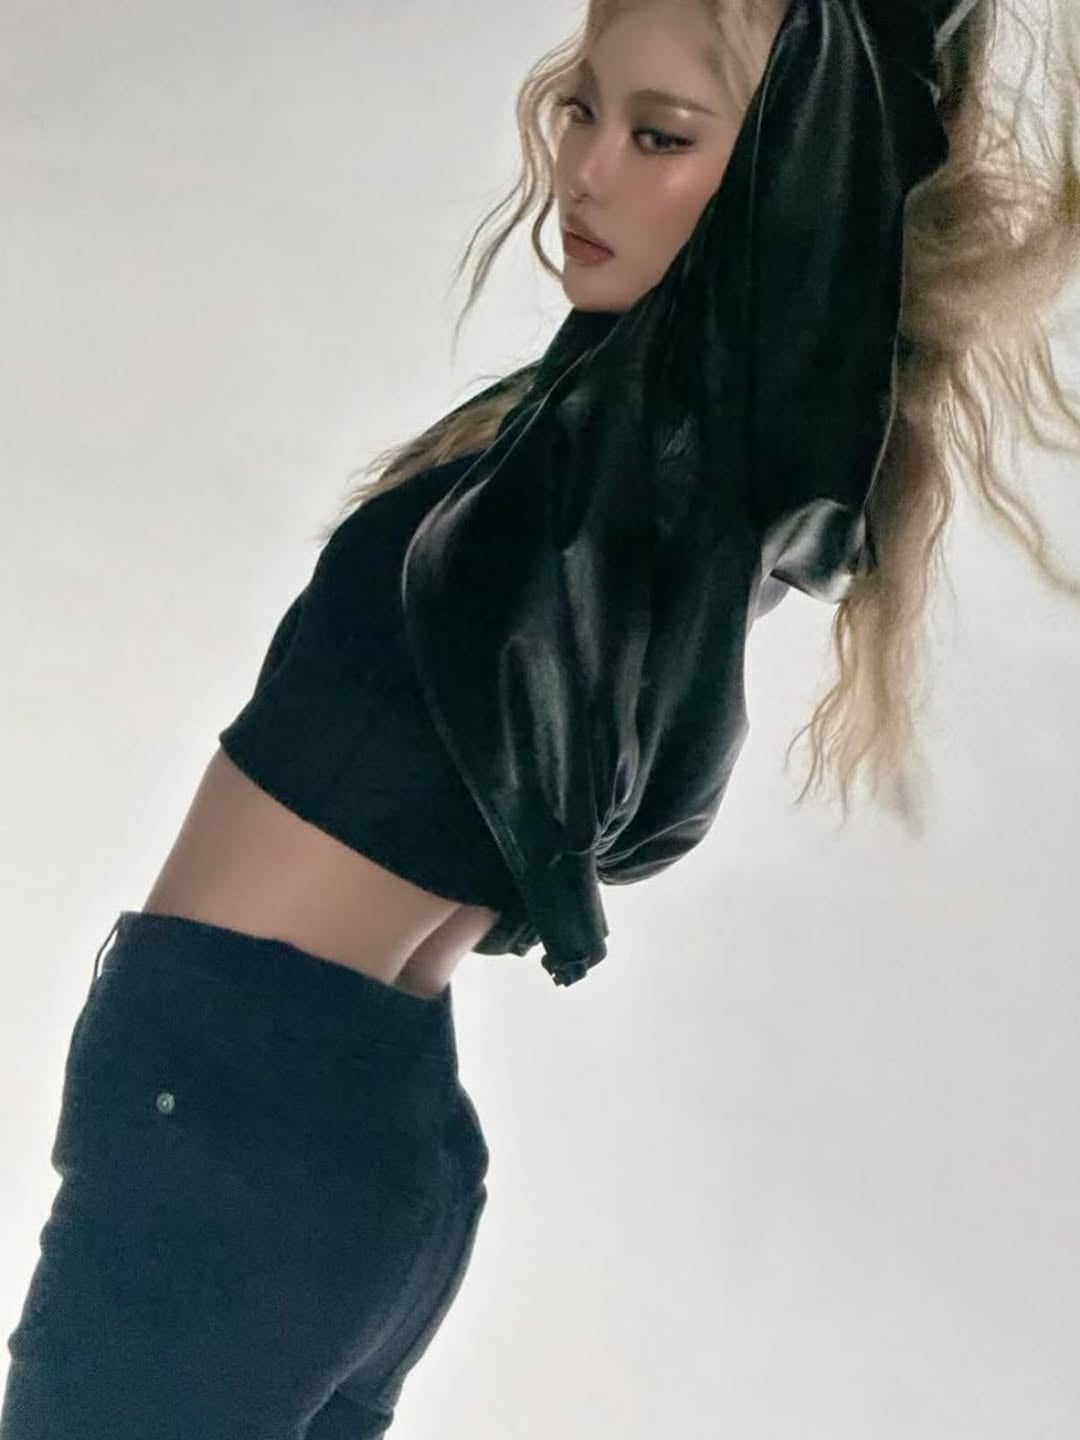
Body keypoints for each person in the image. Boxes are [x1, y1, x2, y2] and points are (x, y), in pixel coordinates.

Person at [4, 0, 1079, 1434]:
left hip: (224, 1137)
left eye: (662, 137)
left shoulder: (641, 472)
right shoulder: (667, 468)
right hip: (352, 1145)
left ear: (788, 172)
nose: (585, 169)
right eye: (583, 106)